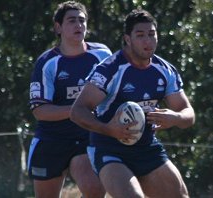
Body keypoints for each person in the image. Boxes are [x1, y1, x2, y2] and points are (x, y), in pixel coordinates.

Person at [70, 8, 195, 198]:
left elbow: (188, 113)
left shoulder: (165, 71)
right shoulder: (110, 70)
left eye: (152, 34)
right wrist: (109, 129)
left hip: (146, 148)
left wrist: (176, 117)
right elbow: (77, 111)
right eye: (140, 35)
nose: (148, 41)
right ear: (127, 39)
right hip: (110, 149)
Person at [27, 1, 112, 198]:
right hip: (52, 139)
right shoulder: (47, 62)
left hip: (86, 137)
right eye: (72, 21)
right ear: (58, 27)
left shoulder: (102, 54)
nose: (79, 25)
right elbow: (40, 110)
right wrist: (78, 109)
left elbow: (114, 93)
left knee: (95, 189)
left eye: (82, 21)